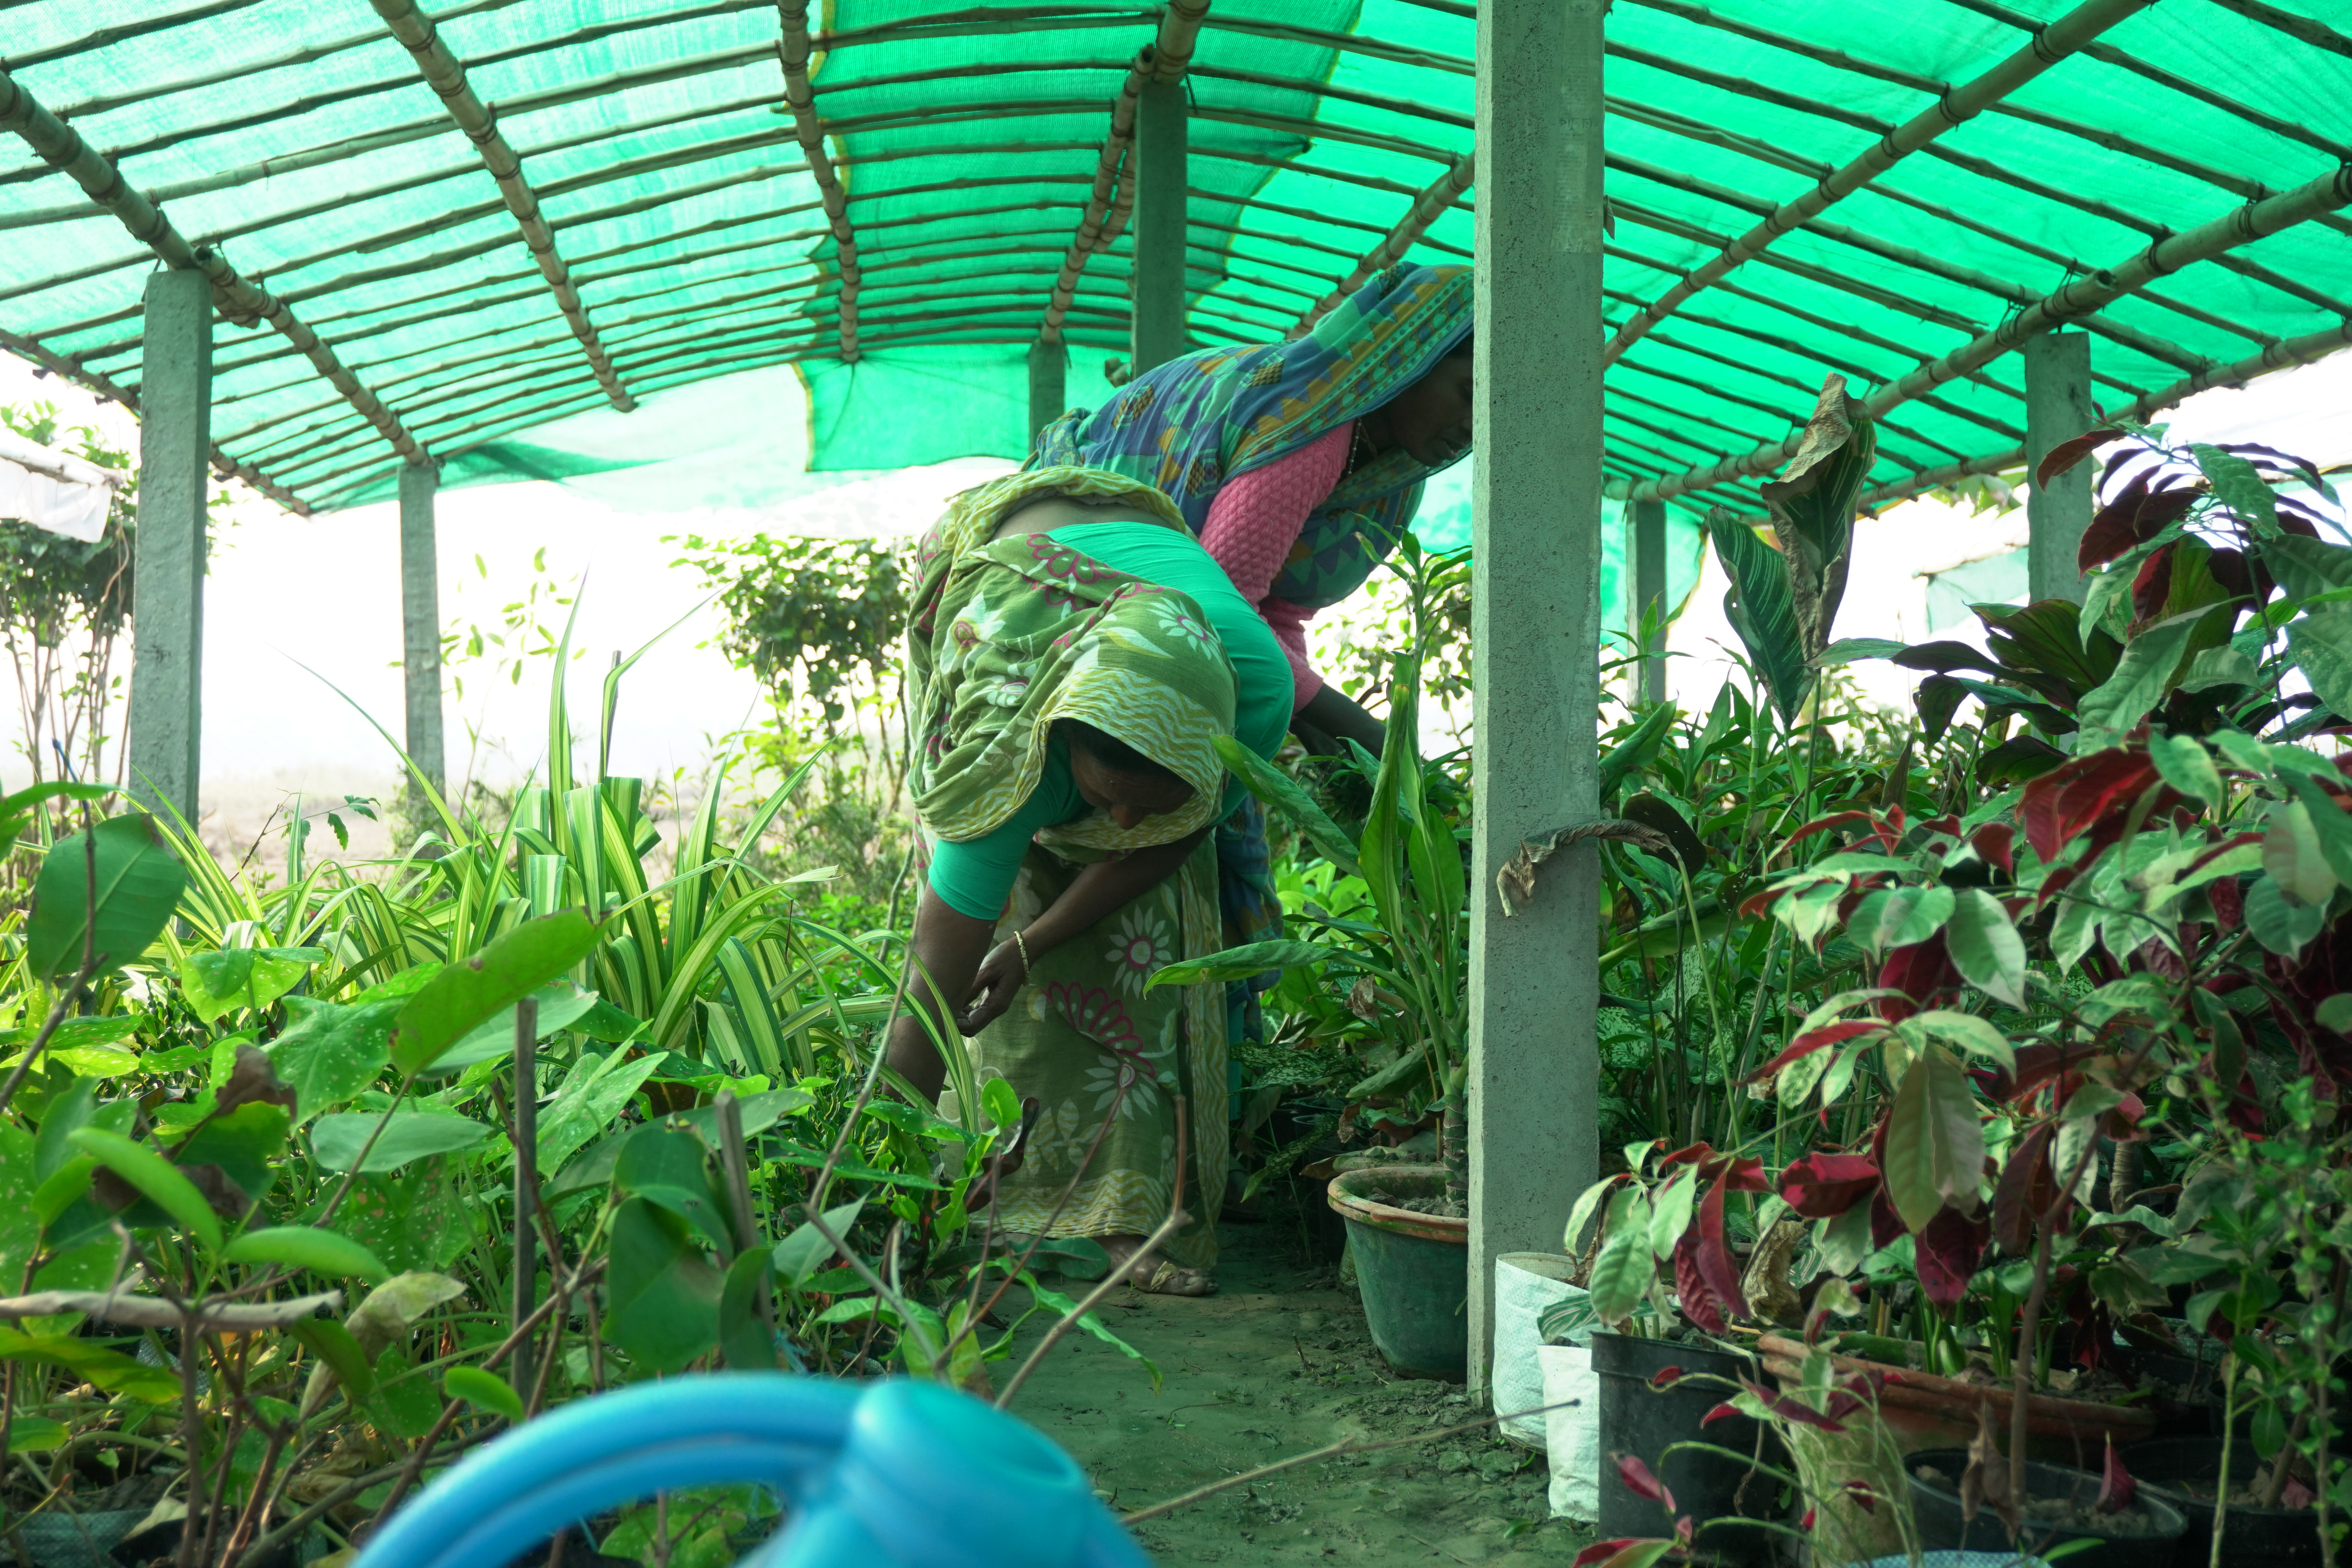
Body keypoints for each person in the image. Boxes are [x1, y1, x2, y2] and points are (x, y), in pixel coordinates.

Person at [1032, 262, 1473, 1039]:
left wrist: (1324, 729)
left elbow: (1277, 607)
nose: (1476, 425)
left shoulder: (1392, 475)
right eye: (1469, 392)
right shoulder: (1308, 427)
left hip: (1180, 626)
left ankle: (1208, 1091)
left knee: (1194, 819)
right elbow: (1218, 614)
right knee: (1151, 810)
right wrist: (1356, 730)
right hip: (1074, 588)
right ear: (1408, 356)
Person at [885, 465, 1293, 1296]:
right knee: (987, 918)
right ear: (1064, 748)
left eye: (1158, 805)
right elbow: (932, 971)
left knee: (1147, 944)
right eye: (1111, 802)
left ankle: (1123, 1215)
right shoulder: (1004, 744)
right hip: (1008, 582)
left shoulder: (1250, 692)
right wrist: (867, 1181)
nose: (1129, 826)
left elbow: (1169, 845)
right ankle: (953, 1197)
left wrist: (1035, 950)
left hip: (1158, 614)